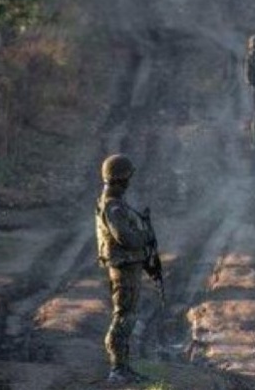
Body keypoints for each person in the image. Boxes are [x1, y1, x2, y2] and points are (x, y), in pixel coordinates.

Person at [95, 154, 157, 385]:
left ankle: (123, 367)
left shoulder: (113, 203)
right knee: (124, 316)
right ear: (120, 179)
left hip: (126, 265)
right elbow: (126, 238)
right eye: (127, 178)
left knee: (127, 315)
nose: (129, 182)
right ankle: (117, 369)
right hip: (124, 266)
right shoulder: (113, 206)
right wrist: (145, 236)